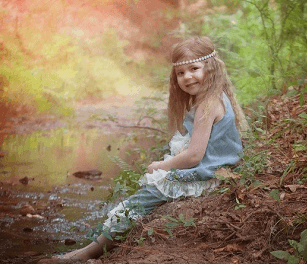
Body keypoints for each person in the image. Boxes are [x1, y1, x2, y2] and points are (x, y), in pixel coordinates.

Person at [38, 36, 248, 263]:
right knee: (147, 191)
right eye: (180, 73)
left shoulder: (207, 105)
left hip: (207, 175)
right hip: (213, 170)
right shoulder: (215, 97)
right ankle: (85, 249)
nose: (187, 77)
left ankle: (85, 254)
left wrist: (160, 166)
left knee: (137, 203)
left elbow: (195, 156)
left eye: (194, 69)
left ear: (211, 68)